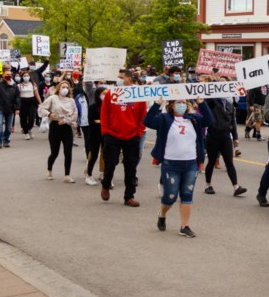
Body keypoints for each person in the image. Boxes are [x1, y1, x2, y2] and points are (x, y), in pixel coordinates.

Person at [145, 97, 213, 237]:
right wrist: (157, 104)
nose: (182, 105)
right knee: (170, 196)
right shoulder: (164, 119)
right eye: (178, 102)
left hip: (190, 164)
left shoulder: (194, 119)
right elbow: (147, 121)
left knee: (187, 195)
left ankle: (185, 226)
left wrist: (202, 103)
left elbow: (209, 120)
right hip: (171, 164)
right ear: (171, 105)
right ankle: (162, 214)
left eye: (184, 102)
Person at [100, 70, 147, 207]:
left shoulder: (138, 95)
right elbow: (104, 113)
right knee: (110, 163)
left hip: (132, 135)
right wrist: (106, 132)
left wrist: (138, 132)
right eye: (118, 77)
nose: (119, 79)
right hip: (112, 135)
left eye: (121, 77)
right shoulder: (110, 93)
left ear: (129, 79)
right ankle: (106, 184)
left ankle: (129, 196)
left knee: (131, 167)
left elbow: (143, 115)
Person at [204, 91, 245, 196]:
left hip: (226, 136)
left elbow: (233, 122)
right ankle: (208, 185)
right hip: (213, 136)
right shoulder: (212, 102)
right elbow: (207, 98)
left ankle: (236, 187)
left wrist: (235, 137)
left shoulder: (230, 105)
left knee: (229, 162)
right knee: (211, 161)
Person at [37, 80, 79, 182]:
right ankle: (49, 170)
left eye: (67, 87)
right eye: (63, 87)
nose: (65, 89)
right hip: (55, 126)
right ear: (58, 88)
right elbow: (41, 108)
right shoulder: (53, 98)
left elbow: (75, 115)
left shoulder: (71, 101)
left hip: (67, 127)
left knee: (68, 151)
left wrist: (65, 120)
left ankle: (67, 175)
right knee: (54, 152)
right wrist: (49, 114)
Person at [0, 68, 20, 149]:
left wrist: (17, 108)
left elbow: (17, 97)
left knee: (8, 127)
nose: (9, 76)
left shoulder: (14, 86)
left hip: (10, 108)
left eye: (10, 75)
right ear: (3, 75)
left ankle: (6, 140)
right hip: (0, 107)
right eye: (7, 75)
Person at [84, 86, 105, 186]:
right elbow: (92, 122)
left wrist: (100, 122)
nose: (104, 96)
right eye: (103, 94)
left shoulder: (109, 106)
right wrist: (102, 123)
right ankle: (89, 175)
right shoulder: (93, 107)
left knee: (105, 154)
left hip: (105, 134)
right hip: (94, 134)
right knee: (94, 155)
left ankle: (104, 173)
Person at [17, 69, 42, 140]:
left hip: (31, 101)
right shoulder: (19, 85)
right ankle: (26, 132)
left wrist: (41, 103)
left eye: (27, 75)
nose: (26, 77)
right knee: (23, 118)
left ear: (30, 77)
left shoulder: (33, 84)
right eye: (24, 76)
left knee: (31, 118)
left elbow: (37, 95)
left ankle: (29, 128)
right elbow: (17, 96)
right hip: (22, 102)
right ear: (22, 77)